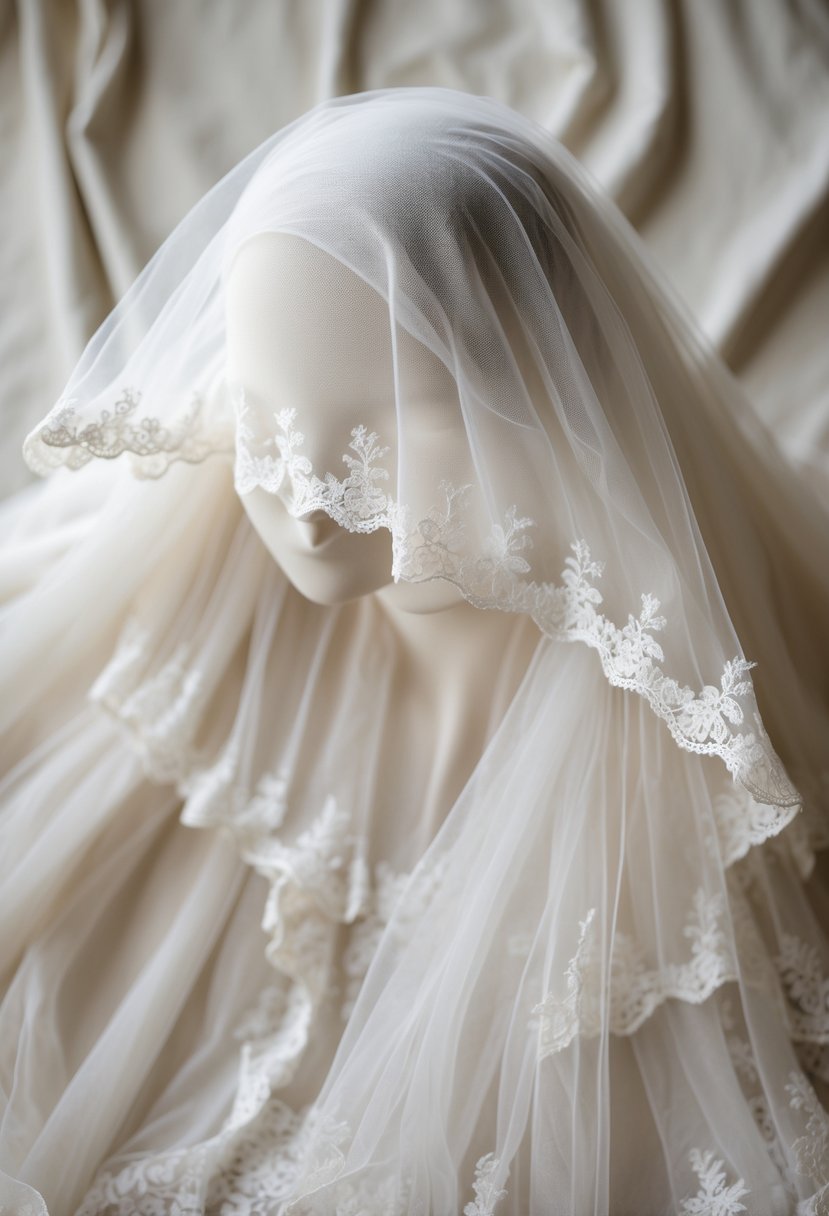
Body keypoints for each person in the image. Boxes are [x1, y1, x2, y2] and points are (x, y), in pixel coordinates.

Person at [2, 86, 829, 1215]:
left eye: (392, 419)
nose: (305, 498)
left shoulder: (670, 730)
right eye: (265, 409)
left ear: (543, 400)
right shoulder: (193, 610)